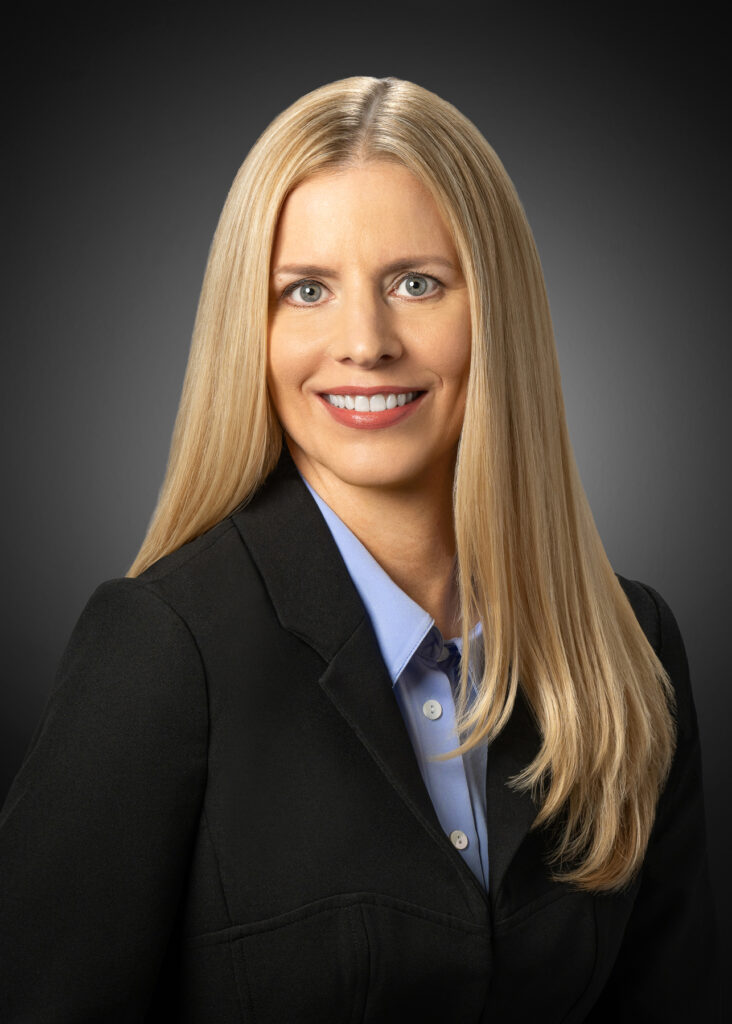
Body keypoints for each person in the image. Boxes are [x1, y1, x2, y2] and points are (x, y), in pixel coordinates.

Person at [0, 75, 719, 1022]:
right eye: (306, 291)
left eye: (417, 284)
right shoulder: (161, 649)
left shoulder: (629, 643)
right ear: (251, 332)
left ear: (498, 312)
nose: (365, 343)